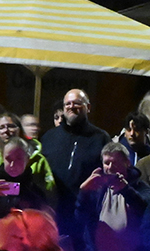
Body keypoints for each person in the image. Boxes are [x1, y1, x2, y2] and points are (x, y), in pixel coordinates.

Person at [39, 88, 109, 221]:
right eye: (67, 104)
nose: (71, 107)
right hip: (52, 211)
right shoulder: (49, 137)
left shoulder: (100, 138)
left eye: (77, 103)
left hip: (86, 213)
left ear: (88, 107)